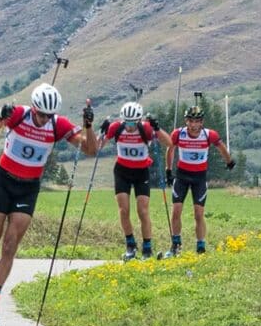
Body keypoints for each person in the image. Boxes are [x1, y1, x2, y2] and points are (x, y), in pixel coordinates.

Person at [0, 83, 96, 323]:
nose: (45, 119)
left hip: (28, 188)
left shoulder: (57, 124)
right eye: (41, 114)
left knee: (10, 245)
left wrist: (88, 126)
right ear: (33, 108)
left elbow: (90, 150)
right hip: (3, 181)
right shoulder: (18, 114)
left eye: (49, 115)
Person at [98, 101, 172, 260]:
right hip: (122, 171)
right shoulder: (116, 128)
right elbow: (98, 146)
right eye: (127, 122)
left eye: (133, 122)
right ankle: (130, 245)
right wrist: (101, 132)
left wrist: (157, 129)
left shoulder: (145, 128)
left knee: (142, 211)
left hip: (141, 172)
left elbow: (169, 143)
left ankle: (147, 248)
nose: (129, 126)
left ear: (138, 120)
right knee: (123, 209)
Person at [163, 104, 234, 256]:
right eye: (190, 121)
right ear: (186, 121)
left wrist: (229, 161)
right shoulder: (179, 134)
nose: (194, 125)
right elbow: (170, 150)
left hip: (199, 178)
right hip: (182, 176)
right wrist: (168, 170)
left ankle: (200, 245)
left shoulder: (209, 135)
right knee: (176, 211)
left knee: (198, 214)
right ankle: (175, 245)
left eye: (197, 121)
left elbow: (221, 147)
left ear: (202, 122)